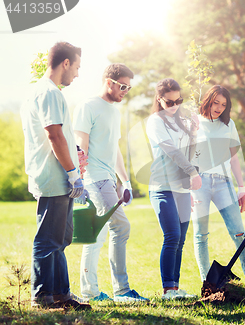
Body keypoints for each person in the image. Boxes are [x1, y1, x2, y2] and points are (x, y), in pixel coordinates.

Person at [20, 41, 90, 310]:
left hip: (57, 174)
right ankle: (41, 296)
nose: (77, 74)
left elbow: (58, 135)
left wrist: (74, 152)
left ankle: (61, 294)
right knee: (48, 239)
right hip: (53, 177)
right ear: (66, 63)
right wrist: (73, 173)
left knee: (61, 238)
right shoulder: (50, 93)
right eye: (77, 68)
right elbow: (53, 134)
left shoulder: (41, 92)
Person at [73, 63, 149, 303]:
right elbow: (80, 143)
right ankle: (122, 290)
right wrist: (80, 178)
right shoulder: (88, 106)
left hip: (108, 179)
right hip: (94, 178)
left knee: (98, 234)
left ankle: (90, 292)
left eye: (128, 87)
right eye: (123, 86)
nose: (125, 91)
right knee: (121, 227)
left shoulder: (114, 111)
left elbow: (113, 148)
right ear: (109, 82)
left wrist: (124, 180)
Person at [191, 85, 245, 295]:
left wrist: (241, 187)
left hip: (224, 182)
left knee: (239, 233)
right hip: (199, 183)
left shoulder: (228, 124)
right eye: (216, 102)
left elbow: (234, 157)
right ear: (208, 100)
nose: (219, 108)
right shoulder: (194, 123)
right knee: (200, 235)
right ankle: (208, 285)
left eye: (224, 105)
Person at [146, 78, 201, 300]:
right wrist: (193, 172)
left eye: (179, 100)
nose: (175, 106)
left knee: (181, 240)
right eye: (170, 102)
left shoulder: (181, 122)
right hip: (162, 186)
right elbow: (171, 151)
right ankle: (168, 289)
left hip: (180, 188)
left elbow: (187, 153)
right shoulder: (155, 121)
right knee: (172, 236)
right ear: (159, 100)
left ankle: (175, 288)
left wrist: (194, 133)